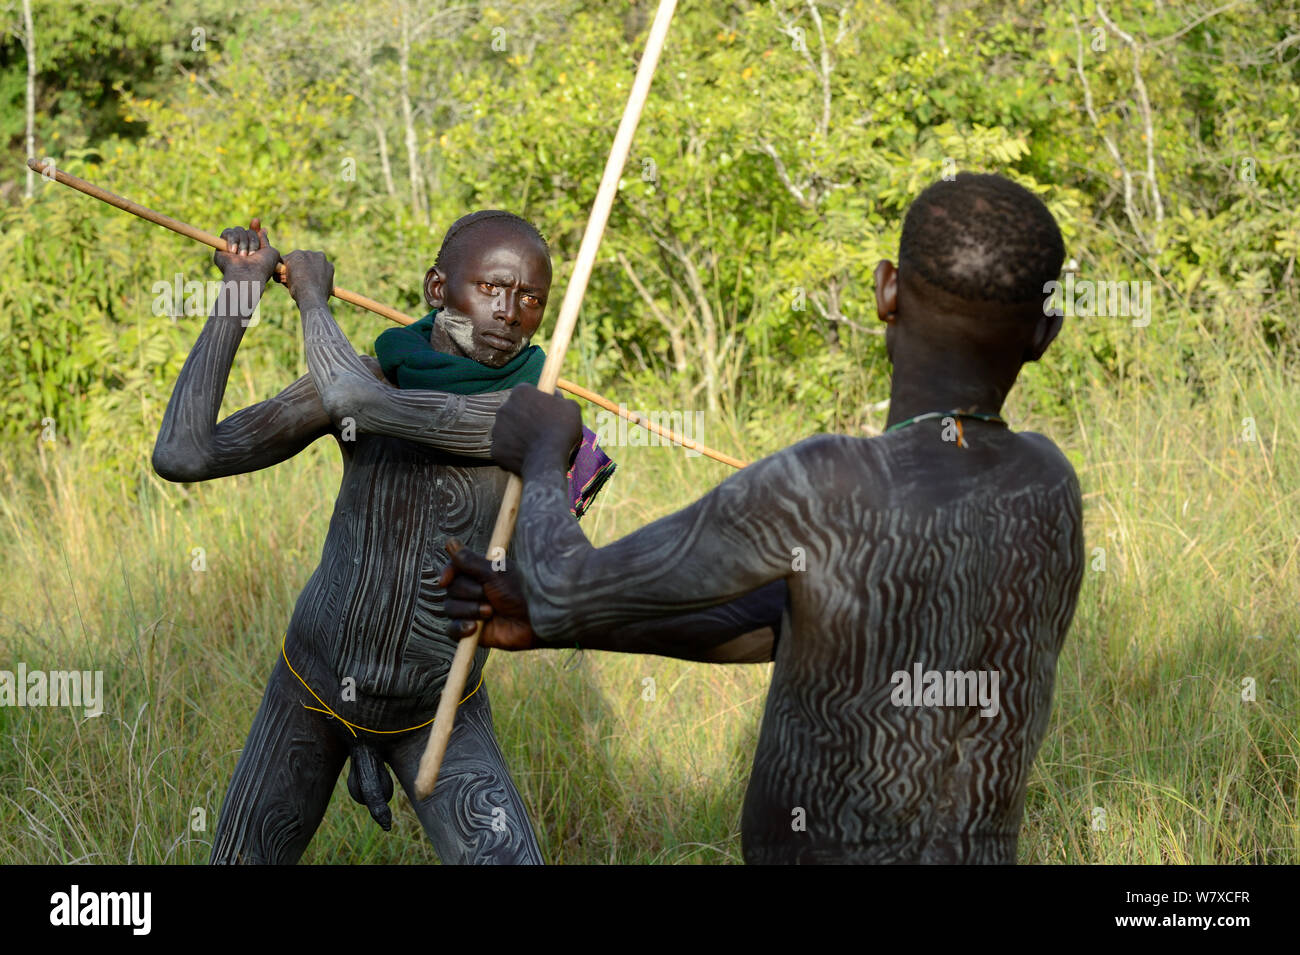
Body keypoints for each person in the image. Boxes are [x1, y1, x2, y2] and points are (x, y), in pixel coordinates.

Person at [439, 173, 1086, 864]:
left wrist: (542, 456)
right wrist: (547, 621)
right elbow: (791, 621)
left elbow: (566, 582)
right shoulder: (1049, 486)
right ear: (1046, 332)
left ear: (886, 290)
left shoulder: (826, 481)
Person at [153, 210, 610, 864]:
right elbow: (183, 452)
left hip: (435, 711)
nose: (510, 313)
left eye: (531, 298)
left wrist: (311, 295)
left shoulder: (532, 415)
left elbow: (354, 402)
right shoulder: (372, 372)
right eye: (491, 288)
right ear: (437, 290)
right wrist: (238, 294)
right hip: (310, 687)